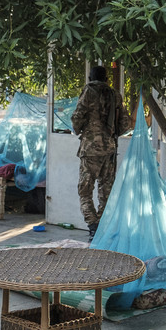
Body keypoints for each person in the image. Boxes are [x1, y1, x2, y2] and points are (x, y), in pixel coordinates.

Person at [70, 65, 131, 239]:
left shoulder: (88, 91)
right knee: (106, 191)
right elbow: (125, 123)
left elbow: (77, 118)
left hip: (90, 151)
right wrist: (110, 135)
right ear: (106, 79)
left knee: (85, 190)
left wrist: (81, 130)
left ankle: (93, 226)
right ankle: (103, 227)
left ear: (90, 78)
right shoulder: (115, 95)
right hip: (109, 150)